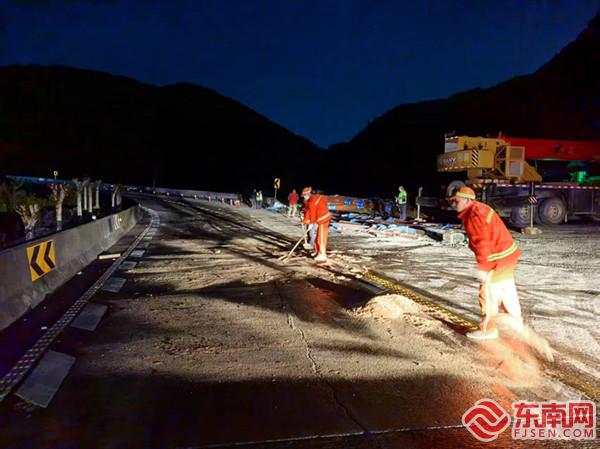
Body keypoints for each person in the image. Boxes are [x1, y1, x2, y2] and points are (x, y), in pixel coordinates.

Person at [449, 186, 523, 340]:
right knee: (505, 287)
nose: (454, 204)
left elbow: (483, 242)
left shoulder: (474, 215)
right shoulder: (481, 209)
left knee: (488, 292)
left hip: (497, 258)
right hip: (508, 255)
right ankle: (516, 323)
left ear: (467, 200)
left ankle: (488, 329)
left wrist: (483, 268)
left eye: (457, 201)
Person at [301, 186, 331, 262]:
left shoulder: (312, 201)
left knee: (321, 237)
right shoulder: (311, 199)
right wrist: (304, 221)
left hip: (323, 220)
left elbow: (313, 214)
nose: (303, 197)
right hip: (320, 219)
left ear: (308, 194)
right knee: (317, 237)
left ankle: (322, 254)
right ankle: (317, 251)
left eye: (304, 196)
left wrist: (311, 223)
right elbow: (308, 211)